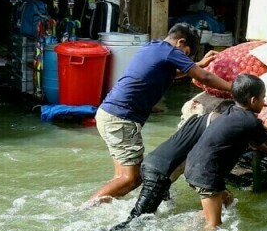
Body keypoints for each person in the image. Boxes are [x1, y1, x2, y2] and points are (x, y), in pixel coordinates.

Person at [90, 23, 232, 204]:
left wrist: (197, 64)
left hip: (108, 113)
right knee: (131, 179)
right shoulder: (170, 51)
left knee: (120, 178)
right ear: (180, 42)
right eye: (186, 54)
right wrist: (235, 88)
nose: (185, 58)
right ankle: (85, 210)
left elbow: (171, 73)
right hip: (121, 118)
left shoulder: (153, 47)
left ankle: (101, 208)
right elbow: (204, 77)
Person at [109, 101, 267, 231]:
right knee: (136, 223)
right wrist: (263, 128)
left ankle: (187, 227)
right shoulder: (217, 124)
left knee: (225, 198)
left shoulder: (196, 120)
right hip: (161, 172)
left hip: (154, 165)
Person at [184, 74, 267, 230]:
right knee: (214, 226)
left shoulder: (231, 111)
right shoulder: (250, 121)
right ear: (253, 101)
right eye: (263, 98)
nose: (264, 102)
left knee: (227, 200)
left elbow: (255, 142)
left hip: (193, 166)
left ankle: (186, 228)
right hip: (206, 175)